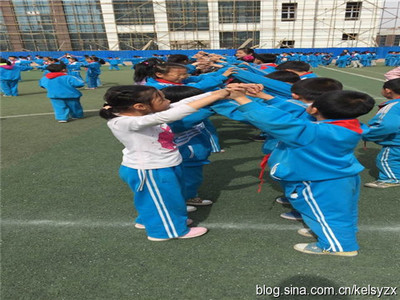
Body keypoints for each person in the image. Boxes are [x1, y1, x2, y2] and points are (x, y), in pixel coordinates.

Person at [227, 83, 375, 256]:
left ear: (314, 110)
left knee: (327, 213)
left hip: (317, 180)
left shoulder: (313, 131)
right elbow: (296, 111)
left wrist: (241, 98)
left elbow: (276, 121)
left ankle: (339, 247)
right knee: (339, 210)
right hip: (340, 176)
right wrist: (264, 97)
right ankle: (332, 232)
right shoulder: (349, 125)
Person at [100, 85, 233, 241]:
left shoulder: (146, 112)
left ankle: (162, 219)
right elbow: (171, 115)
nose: (168, 101)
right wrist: (217, 97)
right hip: (150, 169)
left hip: (164, 164)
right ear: (140, 106)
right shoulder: (123, 122)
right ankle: (166, 231)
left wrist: (219, 92)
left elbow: (182, 104)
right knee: (161, 199)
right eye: (161, 99)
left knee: (169, 197)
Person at [362, 78, 400, 188]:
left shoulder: (392, 107)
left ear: (388, 91)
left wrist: (368, 134)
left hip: (396, 141)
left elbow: (386, 125)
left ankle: (392, 178)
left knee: (386, 159)